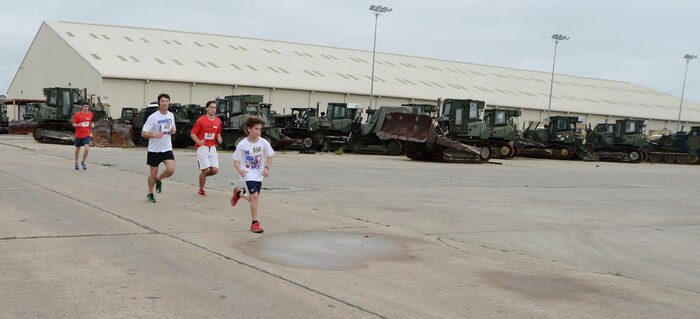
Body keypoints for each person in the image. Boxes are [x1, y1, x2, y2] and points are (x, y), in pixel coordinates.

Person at [231, 116, 275, 233]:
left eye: (260, 129)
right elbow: (236, 159)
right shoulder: (242, 144)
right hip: (248, 174)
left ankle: (239, 194)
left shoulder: (263, 142)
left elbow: (270, 155)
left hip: (259, 174)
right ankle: (254, 223)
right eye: (256, 129)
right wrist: (240, 170)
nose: (258, 131)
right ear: (249, 129)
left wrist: (266, 167)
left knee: (253, 199)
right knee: (255, 197)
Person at [141, 93, 176, 203]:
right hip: (154, 150)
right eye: (162, 101)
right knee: (153, 173)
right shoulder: (153, 117)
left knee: (171, 169)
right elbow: (143, 133)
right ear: (159, 103)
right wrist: (154, 135)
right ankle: (150, 193)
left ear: (169, 102)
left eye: (166, 101)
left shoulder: (171, 115)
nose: (165, 103)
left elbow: (173, 128)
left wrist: (173, 130)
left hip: (166, 148)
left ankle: (159, 180)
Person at [190, 101, 223, 197]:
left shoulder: (218, 121)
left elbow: (218, 132)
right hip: (202, 147)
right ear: (207, 108)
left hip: (212, 147)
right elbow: (193, 134)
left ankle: (202, 176)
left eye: (214, 107)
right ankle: (201, 189)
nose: (213, 109)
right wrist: (198, 142)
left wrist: (219, 138)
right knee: (204, 170)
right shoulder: (201, 120)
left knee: (215, 170)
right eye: (211, 107)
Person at [72, 101, 95, 170]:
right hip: (79, 135)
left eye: (87, 107)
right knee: (77, 149)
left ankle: (83, 161)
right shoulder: (77, 115)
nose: (86, 108)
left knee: (87, 148)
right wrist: (78, 125)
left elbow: (92, 123)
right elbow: (73, 124)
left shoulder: (90, 114)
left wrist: (93, 125)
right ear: (82, 107)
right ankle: (76, 162)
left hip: (86, 134)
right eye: (84, 106)